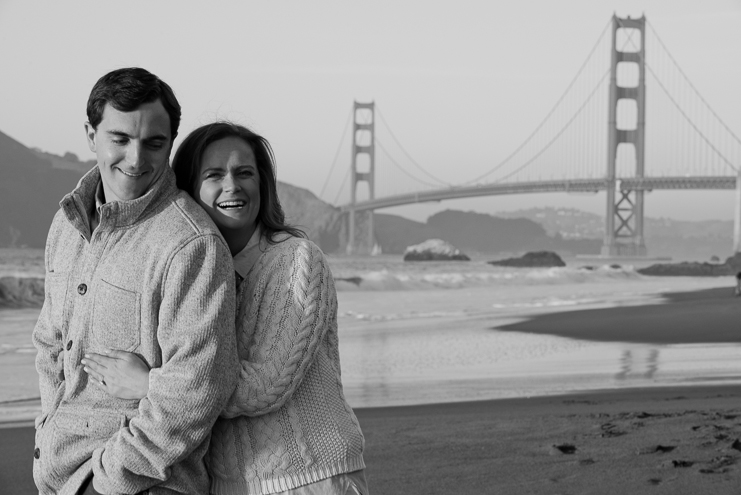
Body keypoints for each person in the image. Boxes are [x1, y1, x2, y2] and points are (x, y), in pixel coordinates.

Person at [82, 122, 368, 494]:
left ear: (262, 184)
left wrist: (147, 383)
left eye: (244, 173)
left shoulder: (296, 259)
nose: (232, 186)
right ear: (189, 188)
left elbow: (267, 384)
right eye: (214, 175)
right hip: (229, 485)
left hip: (310, 478)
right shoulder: (193, 274)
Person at [32, 68, 239, 495]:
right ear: (91, 135)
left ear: (170, 144)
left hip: (139, 486)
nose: (136, 158)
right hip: (58, 479)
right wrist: (46, 429)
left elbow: (195, 391)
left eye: (154, 143)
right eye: (120, 139)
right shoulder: (65, 226)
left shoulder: (191, 245)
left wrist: (106, 480)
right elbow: (50, 343)